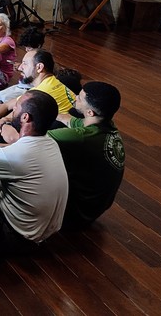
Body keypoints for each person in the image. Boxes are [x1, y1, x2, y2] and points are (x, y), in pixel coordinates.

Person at [0, 90, 68, 253]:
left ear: (25, 117)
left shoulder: (13, 156)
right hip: (45, 231)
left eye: (16, 108)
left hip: (18, 236)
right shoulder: (51, 142)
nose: (12, 110)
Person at [49, 81, 125, 230]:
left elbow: (29, 139)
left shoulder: (82, 137)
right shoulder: (105, 125)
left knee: (35, 155)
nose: (76, 97)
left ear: (90, 112)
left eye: (80, 98)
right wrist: (48, 112)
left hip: (74, 214)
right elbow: (69, 119)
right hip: (93, 208)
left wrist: (3, 125)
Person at [0, 49, 75, 144]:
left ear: (39, 67)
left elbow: (5, 120)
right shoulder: (52, 82)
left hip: (52, 138)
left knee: (0, 133)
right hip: (61, 130)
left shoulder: (40, 92)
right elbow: (7, 105)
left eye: (25, 63)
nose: (20, 67)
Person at [0, 25, 46, 113]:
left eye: (29, 48)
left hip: (30, 88)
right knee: (1, 94)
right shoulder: (31, 55)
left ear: (39, 45)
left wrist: (23, 69)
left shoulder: (40, 58)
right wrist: (21, 67)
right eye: (26, 48)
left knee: (7, 97)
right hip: (22, 85)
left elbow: (35, 76)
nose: (27, 50)